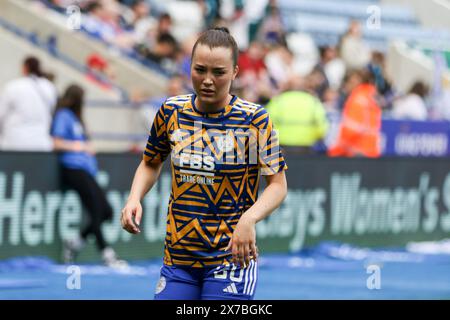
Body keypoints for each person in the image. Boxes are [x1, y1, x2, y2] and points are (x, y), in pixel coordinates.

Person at [121, 27, 288, 300]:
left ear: (235, 72)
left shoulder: (255, 120)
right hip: (178, 258)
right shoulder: (171, 111)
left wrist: (249, 219)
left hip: (231, 259)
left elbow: (278, 185)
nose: (208, 80)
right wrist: (134, 198)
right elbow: (151, 163)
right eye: (200, 70)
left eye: (219, 72)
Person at [51, 84, 126, 268]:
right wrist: (79, 147)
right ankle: (107, 254)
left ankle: (75, 242)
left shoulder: (77, 119)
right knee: (96, 210)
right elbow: (56, 142)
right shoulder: (63, 116)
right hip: (73, 168)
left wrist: (87, 145)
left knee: (105, 211)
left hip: (86, 169)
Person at [0, 56, 57, 151]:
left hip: (13, 144)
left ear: (25, 67)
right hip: (41, 145)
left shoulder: (13, 86)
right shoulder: (49, 87)